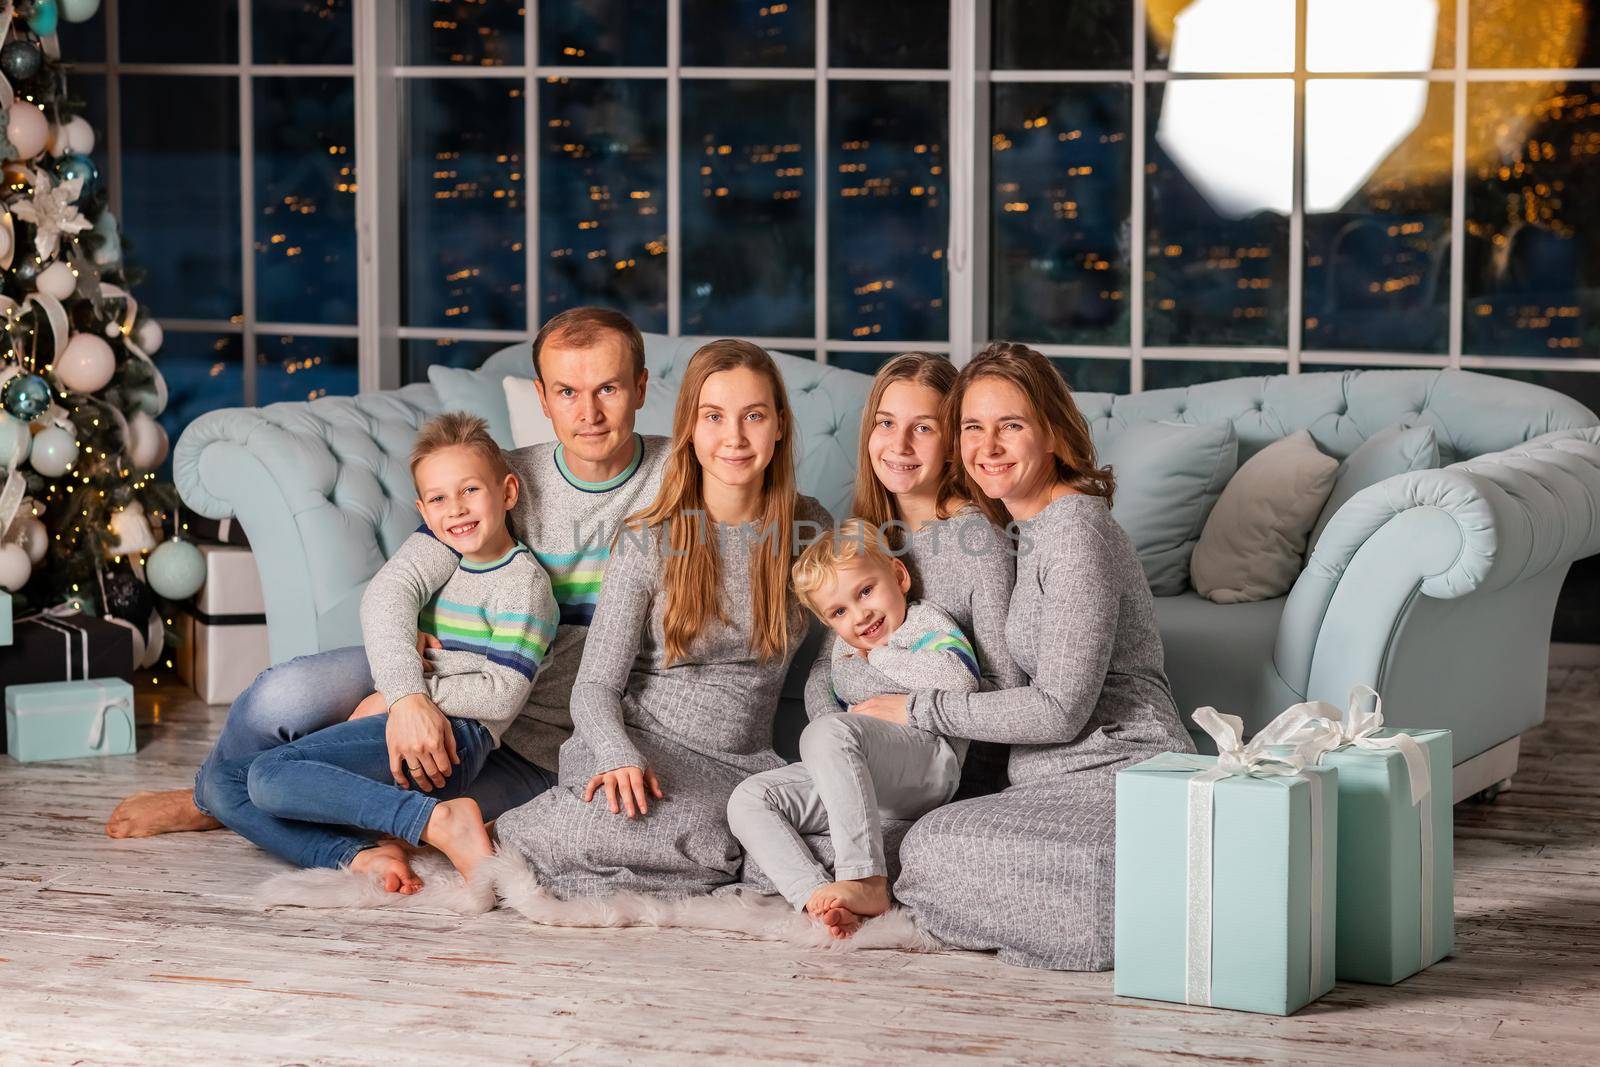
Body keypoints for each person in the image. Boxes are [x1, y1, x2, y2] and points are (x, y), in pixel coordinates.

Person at [106, 308, 668, 888]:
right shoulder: (498, 480)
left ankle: (238, 805)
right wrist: (404, 697)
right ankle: (212, 799)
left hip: (529, 733)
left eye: (608, 388)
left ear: (641, 388)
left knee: (356, 798)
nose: (589, 413)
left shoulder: (678, 477)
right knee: (278, 696)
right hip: (442, 668)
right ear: (543, 399)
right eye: (568, 392)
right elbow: (395, 588)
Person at [852, 341, 1194, 970]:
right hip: (1054, 785)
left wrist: (919, 709)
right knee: (924, 846)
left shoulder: (1079, 535)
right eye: (973, 428)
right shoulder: (1033, 530)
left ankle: (1152, 910)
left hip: (1120, 771)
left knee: (931, 851)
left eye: (1011, 425)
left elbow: (1060, 712)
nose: (989, 447)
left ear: (1055, 435)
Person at [493, 339, 831, 898]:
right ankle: (512, 833)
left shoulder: (809, 526)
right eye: (714, 416)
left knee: (791, 831)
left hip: (745, 761)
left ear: (779, 427)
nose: (735, 437)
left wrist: (832, 742)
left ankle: (713, 854)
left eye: (754, 416)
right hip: (643, 746)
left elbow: (836, 653)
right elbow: (596, 685)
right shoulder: (649, 539)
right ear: (691, 429)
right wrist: (618, 755)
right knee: (680, 825)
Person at [198, 413, 559, 888]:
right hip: (411, 719)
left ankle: (436, 823)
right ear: (423, 512)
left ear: (507, 493)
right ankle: (359, 854)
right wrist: (402, 683)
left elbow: (501, 696)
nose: (456, 509)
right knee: (222, 785)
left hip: (455, 737)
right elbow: (390, 599)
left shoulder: (523, 585)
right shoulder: (444, 563)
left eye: (470, 490)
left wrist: (404, 696)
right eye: (438, 498)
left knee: (268, 775)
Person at [726, 519, 978, 938]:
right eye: (839, 612)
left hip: (927, 762)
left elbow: (959, 679)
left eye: (866, 591)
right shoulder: (843, 648)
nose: (860, 616)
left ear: (898, 576)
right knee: (749, 798)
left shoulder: (924, 623)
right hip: (860, 782)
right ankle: (816, 896)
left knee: (825, 732)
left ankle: (866, 879)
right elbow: (829, 692)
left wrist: (876, 656)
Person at [847, 352, 1026, 796]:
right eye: (885, 423)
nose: (900, 445)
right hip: (858, 748)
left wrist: (898, 701)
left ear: (952, 444)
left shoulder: (979, 544)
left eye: (923, 428)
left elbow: (1005, 690)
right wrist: (838, 731)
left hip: (949, 773)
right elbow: (828, 665)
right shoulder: (866, 534)